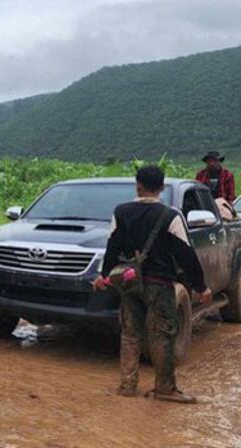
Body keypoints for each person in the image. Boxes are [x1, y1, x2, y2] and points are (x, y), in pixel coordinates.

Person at [93, 165, 211, 404]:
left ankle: (127, 386)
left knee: (130, 334)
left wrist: (103, 275)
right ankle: (165, 389)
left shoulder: (121, 212)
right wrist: (201, 286)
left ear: (137, 185)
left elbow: (112, 248)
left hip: (130, 282)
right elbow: (186, 255)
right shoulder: (170, 216)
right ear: (161, 188)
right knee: (161, 335)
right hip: (160, 284)